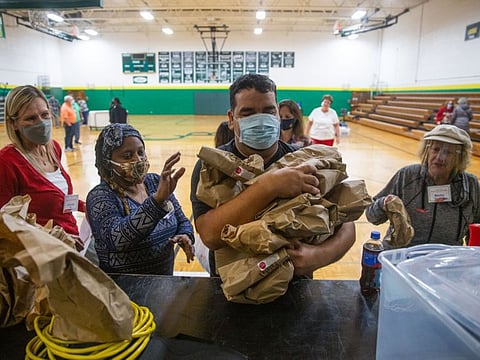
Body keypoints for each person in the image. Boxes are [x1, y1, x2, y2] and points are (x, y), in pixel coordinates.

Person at [190, 73, 355, 277]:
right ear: (232, 119)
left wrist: (318, 256)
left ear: (278, 114)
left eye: (268, 111)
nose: (260, 120)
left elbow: (347, 225)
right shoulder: (211, 166)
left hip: (296, 286)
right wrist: (269, 186)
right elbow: (210, 235)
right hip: (231, 287)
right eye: (248, 113)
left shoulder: (305, 159)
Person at [86, 123, 194, 275]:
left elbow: (182, 221)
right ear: (108, 163)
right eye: (127, 156)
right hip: (122, 293)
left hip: (163, 286)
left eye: (141, 152)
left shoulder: (155, 182)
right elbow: (118, 239)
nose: (138, 160)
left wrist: (185, 235)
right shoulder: (100, 196)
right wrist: (156, 201)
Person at [366, 124, 480, 248]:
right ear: (427, 151)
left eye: (447, 152)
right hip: (402, 256)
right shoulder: (407, 175)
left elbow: (476, 229)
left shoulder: (470, 185)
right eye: (435, 149)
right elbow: (372, 216)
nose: (439, 157)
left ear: (460, 157)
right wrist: (383, 204)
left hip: (446, 260)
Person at [0, 85, 84, 235]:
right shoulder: (7, 162)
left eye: (45, 115)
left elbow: (60, 199)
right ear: (14, 123)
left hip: (73, 240)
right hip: (45, 252)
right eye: (31, 118)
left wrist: (86, 207)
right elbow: (5, 224)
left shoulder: (53, 149)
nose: (41, 122)